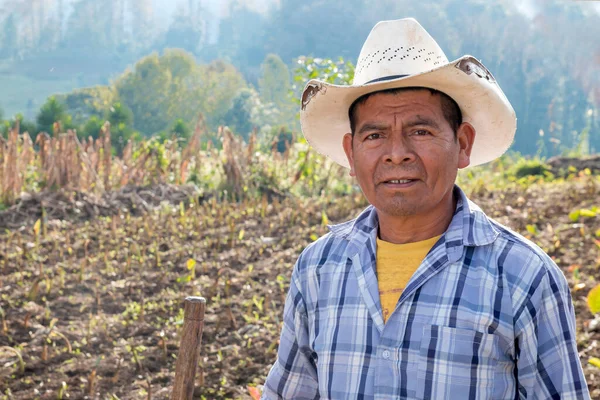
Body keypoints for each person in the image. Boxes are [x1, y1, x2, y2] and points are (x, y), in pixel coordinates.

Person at [262, 18, 590, 399]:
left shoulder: (524, 277)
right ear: (351, 154)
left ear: (463, 143)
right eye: (375, 135)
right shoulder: (318, 269)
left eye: (421, 131)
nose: (397, 154)